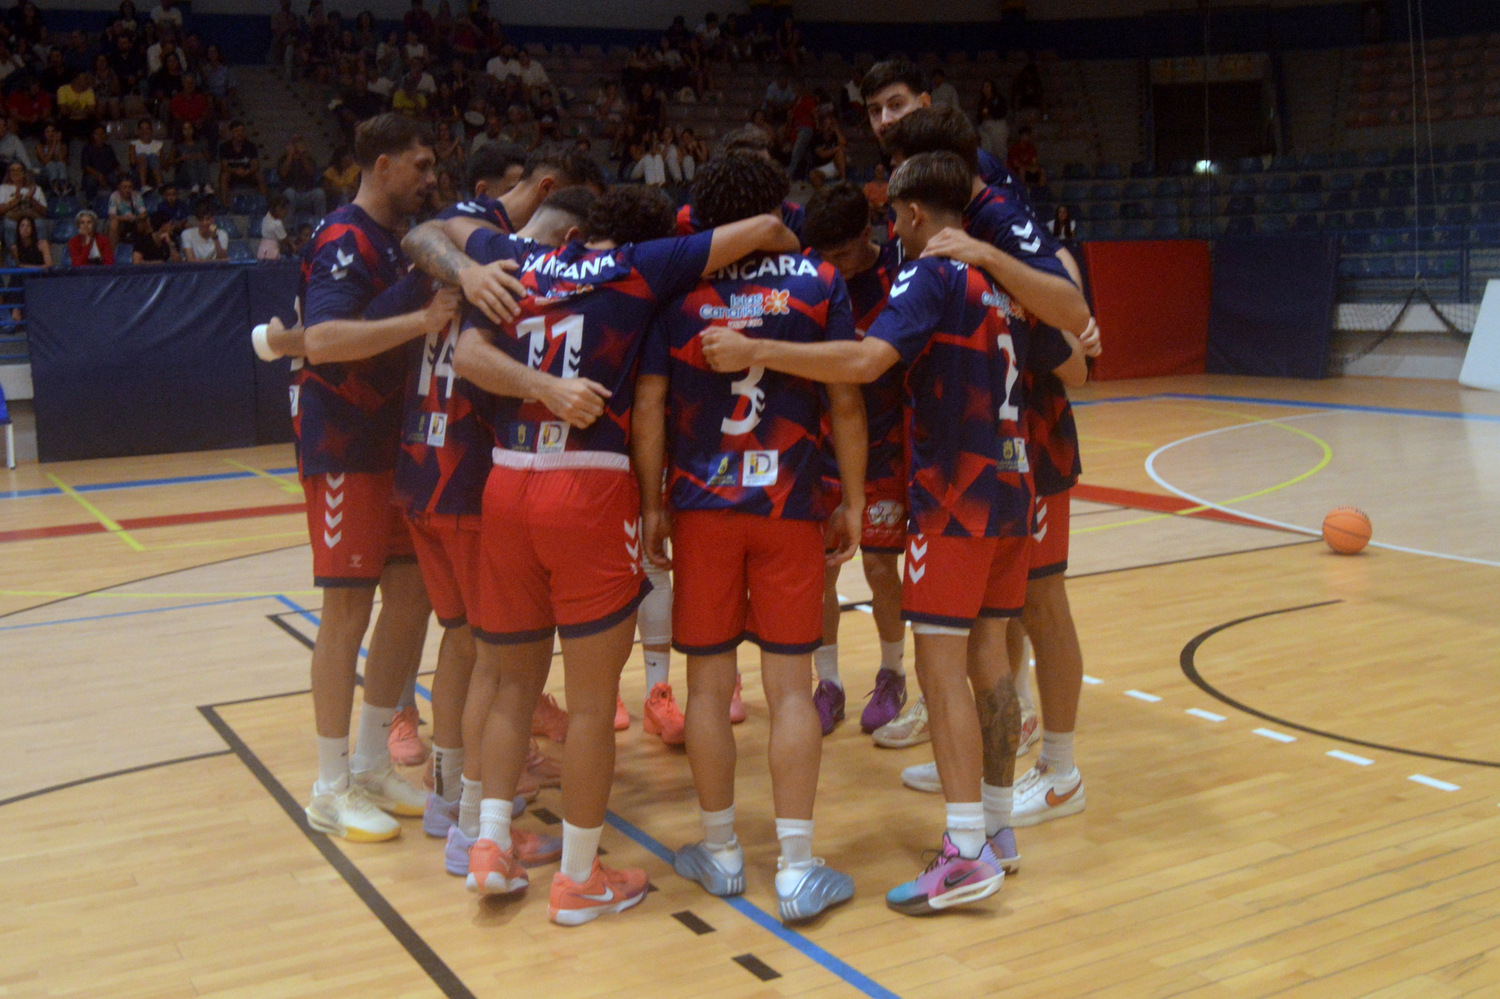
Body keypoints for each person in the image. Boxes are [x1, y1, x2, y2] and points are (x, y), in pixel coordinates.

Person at [699, 151, 1088, 915]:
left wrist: (758, 350)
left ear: (911, 215)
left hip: (954, 498)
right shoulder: (1002, 282)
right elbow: (1078, 335)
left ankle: (966, 852)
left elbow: (871, 359)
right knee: (990, 660)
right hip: (1016, 492)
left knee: (941, 668)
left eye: (893, 216)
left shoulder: (929, 274)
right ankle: (999, 829)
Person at [438, 184, 801, 925]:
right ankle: (577, 879)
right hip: (590, 488)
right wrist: (790, 263)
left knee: (510, 685)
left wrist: (479, 285)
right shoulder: (642, 267)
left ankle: (491, 843)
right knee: (593, 704)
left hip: (507, 481)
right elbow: (763, 224)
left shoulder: (515, 258)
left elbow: (452, 262)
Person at [634, 152, 865, 923]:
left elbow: (651, 408)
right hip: (790, 505)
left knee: (706, 685)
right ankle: (798, 867)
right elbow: (848, 401)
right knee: (791, 688)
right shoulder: (820, 283)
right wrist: (855, 500)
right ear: (777, 207)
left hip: (702, 506)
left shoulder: (679, 293)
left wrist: (652, 506)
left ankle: (721, 850)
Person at [293, 113, 457, 844]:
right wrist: (423, 321)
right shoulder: (342, 238)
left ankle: (368, 763)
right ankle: (329, 785)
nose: (429, 178)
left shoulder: (398, 243)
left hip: (396, 447)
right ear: (382, 163)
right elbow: (324, 341)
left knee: (412, 595)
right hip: (345, 449)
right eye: (419, 165)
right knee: (346, 612)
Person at [799, 182, 909, 734]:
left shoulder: (898, 278)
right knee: (819, 569)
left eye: (840, 255)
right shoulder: (810, 281)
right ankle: (829, 682)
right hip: (820, 443)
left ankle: (892, 672)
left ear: (866, 235)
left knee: (879, 566)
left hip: (888, 443)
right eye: (821, 256)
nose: (830, 267)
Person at [279, 134, 328, 220]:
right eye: (293, 144)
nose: (296, 147)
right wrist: (290, 156)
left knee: (319, 192)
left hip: (307, 193)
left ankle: (320, 226)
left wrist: (302, 156)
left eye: (298, 143)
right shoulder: (283, 159)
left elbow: (311, 172)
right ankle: (288, 229)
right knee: (289, 193)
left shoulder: (308, 159)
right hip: (292, 194)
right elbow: (283, 173)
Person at [0, 161, 46, 250]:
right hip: (11, 218)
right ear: (9, 173)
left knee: (40, 223)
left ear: (24, 172)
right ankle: (14, 256)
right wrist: (16, 200)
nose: (15, 173)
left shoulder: (36, 188)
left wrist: (31, 199)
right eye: (12, 170)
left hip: (31, 217)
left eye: (18, 170)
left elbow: (45, 213)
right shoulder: (2, 188)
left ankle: (41, 254)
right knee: (10, 225)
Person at [218, 120, 265, 196]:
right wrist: (236, 171)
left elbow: (255, 165)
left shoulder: (251, 146)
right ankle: (225, 206)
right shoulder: (224, 147)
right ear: (231, 133)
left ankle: (264, 203)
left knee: (260, 176)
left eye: (241, 131)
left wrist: (246, 172)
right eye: (236, 131)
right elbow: (224, 166)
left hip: (248, 173)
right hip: (232, 174)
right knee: (224, 176)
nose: (239, 133)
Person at [106, 175, 148, 247]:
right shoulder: (114, 196)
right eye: (124, 187)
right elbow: (112, 216)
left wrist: (136, 218)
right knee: (113, 223)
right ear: (119, 187)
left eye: (130, 187)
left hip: (134, 222)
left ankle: (144, 249)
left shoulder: (136, 195)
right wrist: (126, 218)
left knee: (146, 221)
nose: (127, 190)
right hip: (121, 224)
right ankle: (112, 252)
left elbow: (144, 213)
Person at [977, 80, 1009, 163]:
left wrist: (991, 114)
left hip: (997, 126)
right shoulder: (982, 101)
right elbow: (979, 115)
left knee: (999, 150)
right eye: (984, 87)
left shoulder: (999, 99)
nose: (985, 89)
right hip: (985, 127)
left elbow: (1002, 112)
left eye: (987, 87)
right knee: (986, 150)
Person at [257, 194, 291, 259]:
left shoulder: (267, 216)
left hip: (261, 249)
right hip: (271, 252)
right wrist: (293, 247)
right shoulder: (277, 224)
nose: (286, 214)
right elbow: (286, 240)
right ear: (278, 209)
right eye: (285, 211)